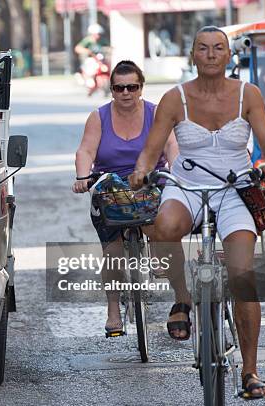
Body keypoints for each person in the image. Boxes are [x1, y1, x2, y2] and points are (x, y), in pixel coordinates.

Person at [129, 26, 265, 399]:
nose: (211, 54)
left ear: (229, 56)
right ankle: (182, 298)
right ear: (193, 55)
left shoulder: (249, 94)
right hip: (188, 186)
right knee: (163, 228)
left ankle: (249, 371)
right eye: (203, 48)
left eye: (218, 48)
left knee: (244, 278)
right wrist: (140, 170)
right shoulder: (174, 97)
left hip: (235, 189)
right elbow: (151, 150)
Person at [72, 60, 179, 335]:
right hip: (111, 187)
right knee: (113, 252)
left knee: (163, 216)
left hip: (150, 182)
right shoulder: (99, 117)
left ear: (141, 87)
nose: (126, 93)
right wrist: (83, 177)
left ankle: (159, 252)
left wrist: (179, 172)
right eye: (119, 88)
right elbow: (85, 151)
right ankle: (113, 310)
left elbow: (172, 147)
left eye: (132, 87)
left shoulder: (157, 114)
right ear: (112, 90)